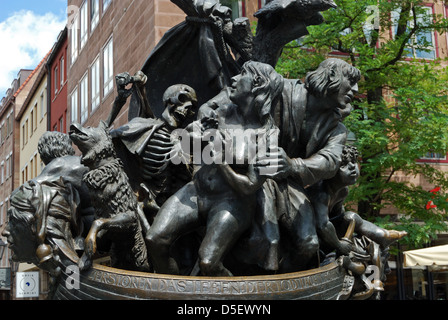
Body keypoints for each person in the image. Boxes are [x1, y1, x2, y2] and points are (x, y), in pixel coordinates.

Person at [146, 61, 284, 276]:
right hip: (197, 191)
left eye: (243, 75)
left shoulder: (269, 135)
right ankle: (172, 292)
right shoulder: (221, 111)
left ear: (257, 85)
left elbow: (249, 186)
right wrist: (195, 136)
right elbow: (188, 139)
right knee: (155, 239)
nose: (234, 79)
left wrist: (219, 158)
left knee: (209, 263)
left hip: (233, 202)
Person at [308, 145, 407, 252]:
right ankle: (382, 235)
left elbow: (338, 217)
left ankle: (383, 235)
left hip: (327, 235)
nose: (352, 167)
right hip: (312, 238)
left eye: (354, 161)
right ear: (329, 170)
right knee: (351, 217)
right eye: (343, 164)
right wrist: (339, 245)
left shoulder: (342, 191)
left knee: (351, 218)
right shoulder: (320, 192)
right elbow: (322, 226)